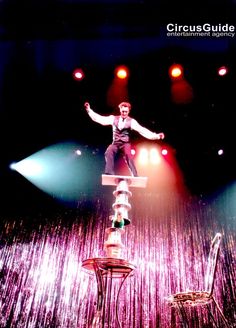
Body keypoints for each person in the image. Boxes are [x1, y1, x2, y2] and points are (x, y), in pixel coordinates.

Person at [84, 101, 165, 177]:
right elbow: (100, 119)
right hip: (115, 143)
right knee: (108, 152)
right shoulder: (113, 118)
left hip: (125, 144)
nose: (124, 113)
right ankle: (109, 172)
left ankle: (134, 174)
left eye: (126, 111)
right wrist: (89, 110)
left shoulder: (132, 121)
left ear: (128, 111)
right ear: (120, 110)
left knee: (128, 155)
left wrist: (156, 136)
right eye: (123, 111)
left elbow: (143, 130)